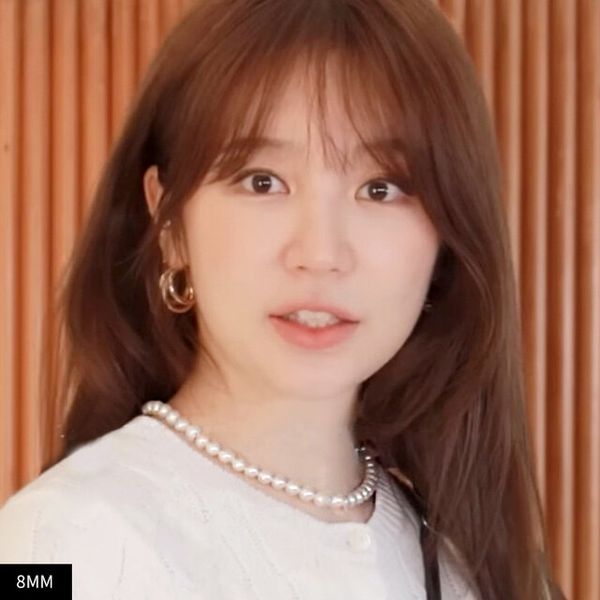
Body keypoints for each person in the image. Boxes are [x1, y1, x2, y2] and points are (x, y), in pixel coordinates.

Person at [0, 0, 564, 598]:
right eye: (262, 181)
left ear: (446, 243)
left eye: (380, 188)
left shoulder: (465, 557)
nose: (320, 253)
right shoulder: (57, 541)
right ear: (170, 225)